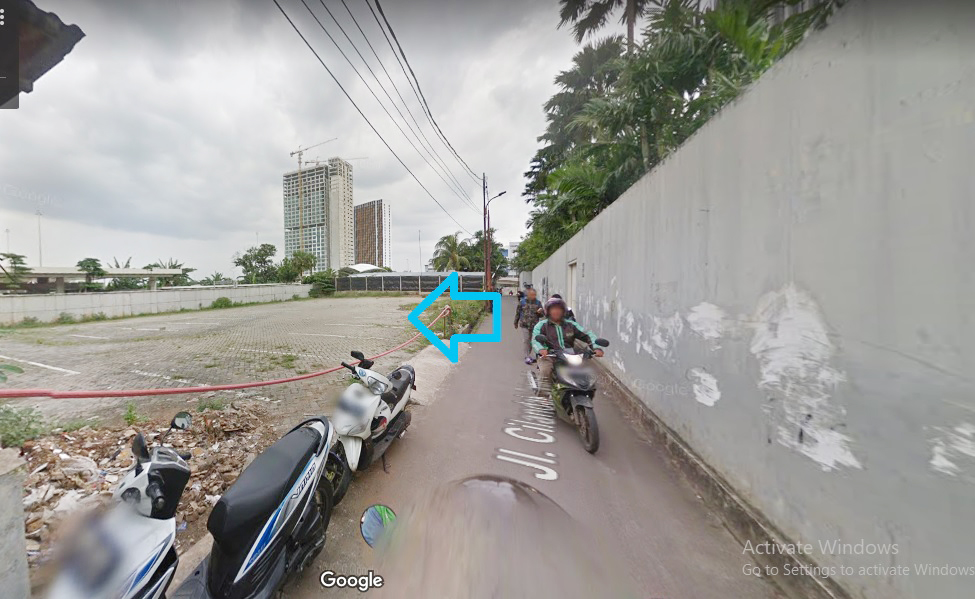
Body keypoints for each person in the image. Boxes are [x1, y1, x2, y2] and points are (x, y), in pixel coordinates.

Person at [531, 296, 602, 396]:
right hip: (549, 355)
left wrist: (596, 347)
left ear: (563, 311)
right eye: (553, 309)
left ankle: (583, 393)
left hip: (569, 355)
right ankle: (544, 397)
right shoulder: (542, 325)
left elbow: (588, 334)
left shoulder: (571, 325)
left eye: (559, 309)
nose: (556, 311)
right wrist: (541, 349)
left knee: (586, 373)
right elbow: (535, 339)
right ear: (548, 311)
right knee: (546, 371)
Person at [514, 288, 544, 364]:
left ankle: (529, 354)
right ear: (528, 295)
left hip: (534, 325)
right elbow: (518, 313)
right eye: (532, 295)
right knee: (526, 339)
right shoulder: (522, 302)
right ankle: (527, 356)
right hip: (524, 324)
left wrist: (539, 312)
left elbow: (542, 315)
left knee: (532, 341)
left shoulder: (538, 303)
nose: (533, 296)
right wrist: (515, 322)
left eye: (534, 295)